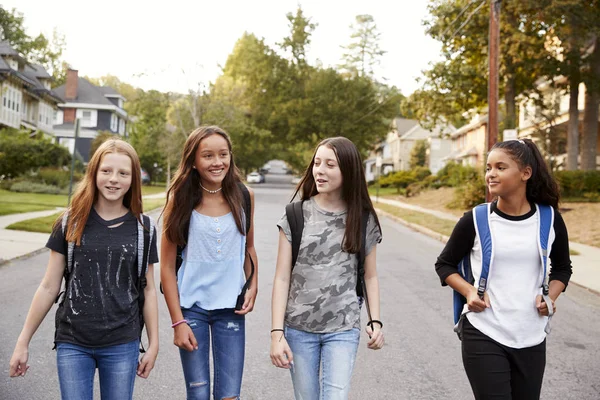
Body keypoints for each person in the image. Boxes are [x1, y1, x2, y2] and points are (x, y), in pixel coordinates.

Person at [8, 139, 159, 400]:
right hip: (73, 342)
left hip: (122, 342)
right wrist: (23, 341)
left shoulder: (144, 229)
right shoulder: (69, 223)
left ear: (133, 178)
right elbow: (48, 286)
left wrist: (154, 343)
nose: (114, 179)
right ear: (94, 173)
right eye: (106, 171)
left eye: (123, 173)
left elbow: (149, 290)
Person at [435, 139, 573, 400]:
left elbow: (563, 268)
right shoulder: (475, 219)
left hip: (531, 335)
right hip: (484, 330)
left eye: (500, 167)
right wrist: (469, 291)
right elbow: (444, 264)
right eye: (488, 168)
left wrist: (550, 297)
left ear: (525, 173)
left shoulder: (550, 218)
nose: (491, 174)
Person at [270, 136, 384, 400]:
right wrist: (277, 333)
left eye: (330, 164)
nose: (320, 170)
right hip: (298, 329)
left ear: (348, 170)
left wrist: (375, 320)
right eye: (317, 163)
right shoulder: (295, 215)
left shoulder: (363, 219)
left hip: (343, 329)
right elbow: (281, 278)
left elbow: (370, 275)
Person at [160, 126, 258, 400]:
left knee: (229, 396)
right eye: (208, 156)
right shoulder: (179, 200)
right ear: (193, 161)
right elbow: (167, 267)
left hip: (231, 310)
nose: (217, 162)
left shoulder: (244, 196)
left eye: (223, 154)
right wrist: (177, 322)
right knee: (198, 394)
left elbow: (249, 248)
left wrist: (253, 285)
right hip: (192, 310)